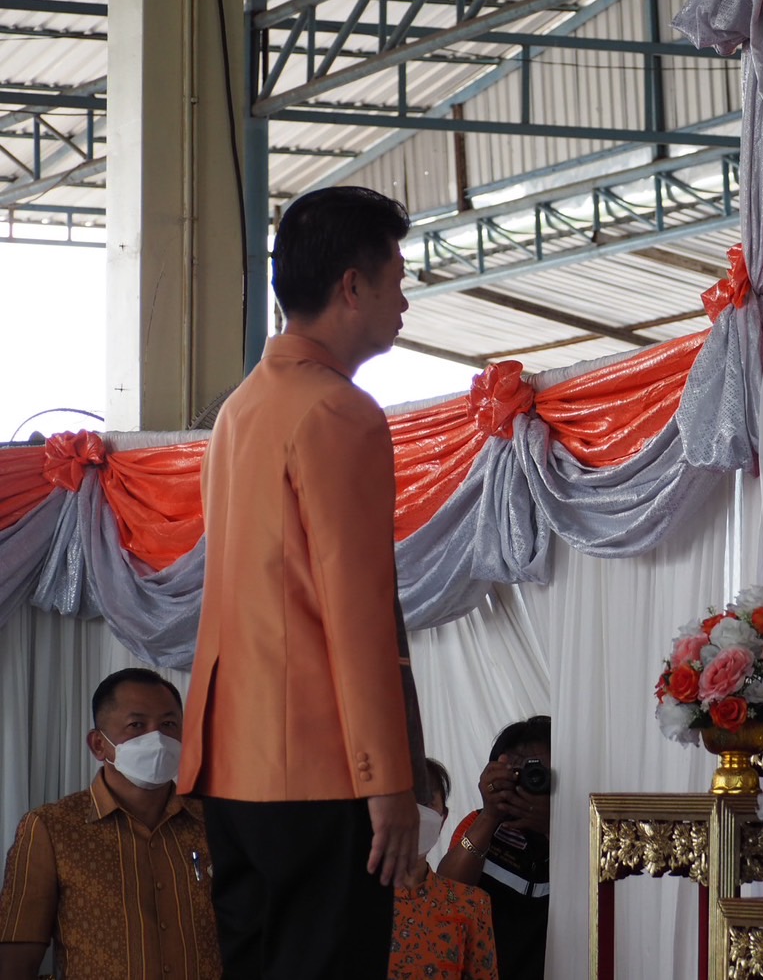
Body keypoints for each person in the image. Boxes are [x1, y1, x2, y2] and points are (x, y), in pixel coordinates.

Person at [180, 186, 429, 979]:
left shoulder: (240, 409)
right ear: (352, 286)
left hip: (233, 765)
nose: (404, 301)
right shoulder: (337, 411)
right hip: (322, 770)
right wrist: (389, 779)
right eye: (397, 279)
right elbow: (358, 616)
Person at [0, 669, 221, 980]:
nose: (157, 739)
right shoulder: (52, 829)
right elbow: (15, 961)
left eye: (168, 724)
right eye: (137, 725)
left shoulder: (213, 823)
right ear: (98, 745)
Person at [437, 718, 551, 980]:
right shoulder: (478, 824)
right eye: (520, 772)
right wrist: (490, 815)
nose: (532, 780)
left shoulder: (583, 828)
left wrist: (553, 827)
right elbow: (447, 893)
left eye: (540, 773)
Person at [389, 759, 498, 979]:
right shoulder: (346, 900)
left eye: (426, 803)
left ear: (443, 818)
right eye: (401, 799)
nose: (414, 812)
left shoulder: (470, 904)